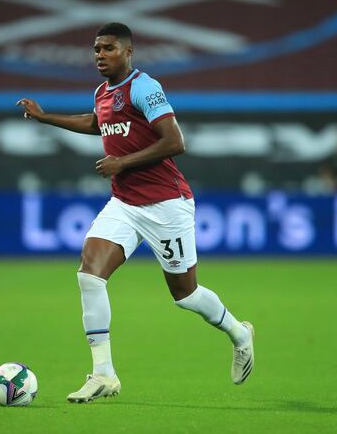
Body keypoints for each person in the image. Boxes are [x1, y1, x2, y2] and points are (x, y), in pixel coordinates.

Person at [16, 22, 254, 403]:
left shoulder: (145, 87)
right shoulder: (102, 93)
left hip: (167, 205)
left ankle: (240, 333)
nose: (100, 55)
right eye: (96, 49)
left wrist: (122, 162)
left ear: (128, 52)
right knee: (90, 276)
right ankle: (103, 374)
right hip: (125, 204)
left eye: (108, 48)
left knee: (185, 294)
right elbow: (96, 123)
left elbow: (175, 141)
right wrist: (46, 118)